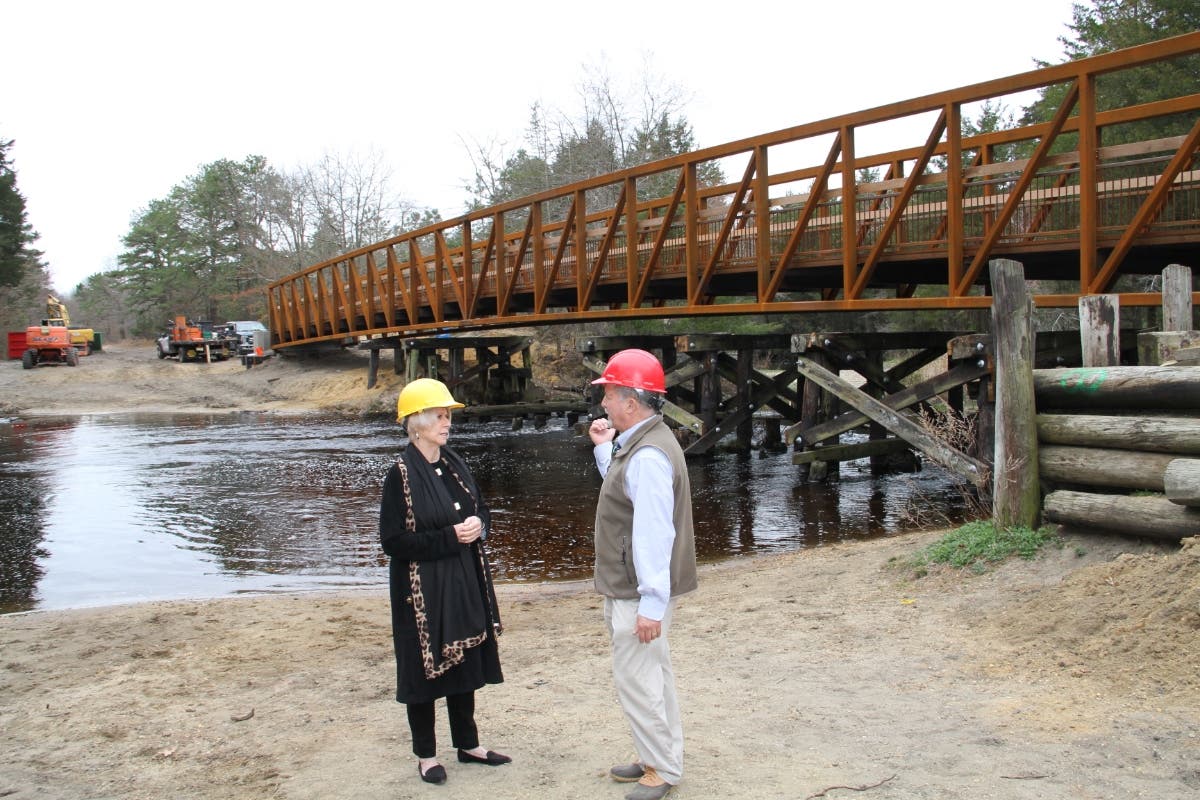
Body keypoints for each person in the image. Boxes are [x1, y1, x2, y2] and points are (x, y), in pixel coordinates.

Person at [378, 378, 510, 786]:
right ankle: (426, 755)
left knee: (465, 660)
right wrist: (451, 536)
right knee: (422, 670)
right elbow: (394, 541)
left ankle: (468, 745)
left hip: (463, 579)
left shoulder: (455, 463)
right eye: (439, 414)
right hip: (420, 591)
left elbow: (481, 510)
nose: (446, 420)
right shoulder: (398, 474)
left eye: (448, 414)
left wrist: (479, 525)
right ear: (415, 422)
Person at [587, 349, 698, 800]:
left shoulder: (647, 455)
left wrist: (652, 604)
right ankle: (655, 753)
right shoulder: (642, 443)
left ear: (631, 402)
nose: (604, 405)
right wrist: (603, 449)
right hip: (636, 585)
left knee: (640, 678)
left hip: (638, 589)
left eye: (610, 395)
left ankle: (662, 769)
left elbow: (654, 533)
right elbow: (627, 494)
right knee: (652, 674)